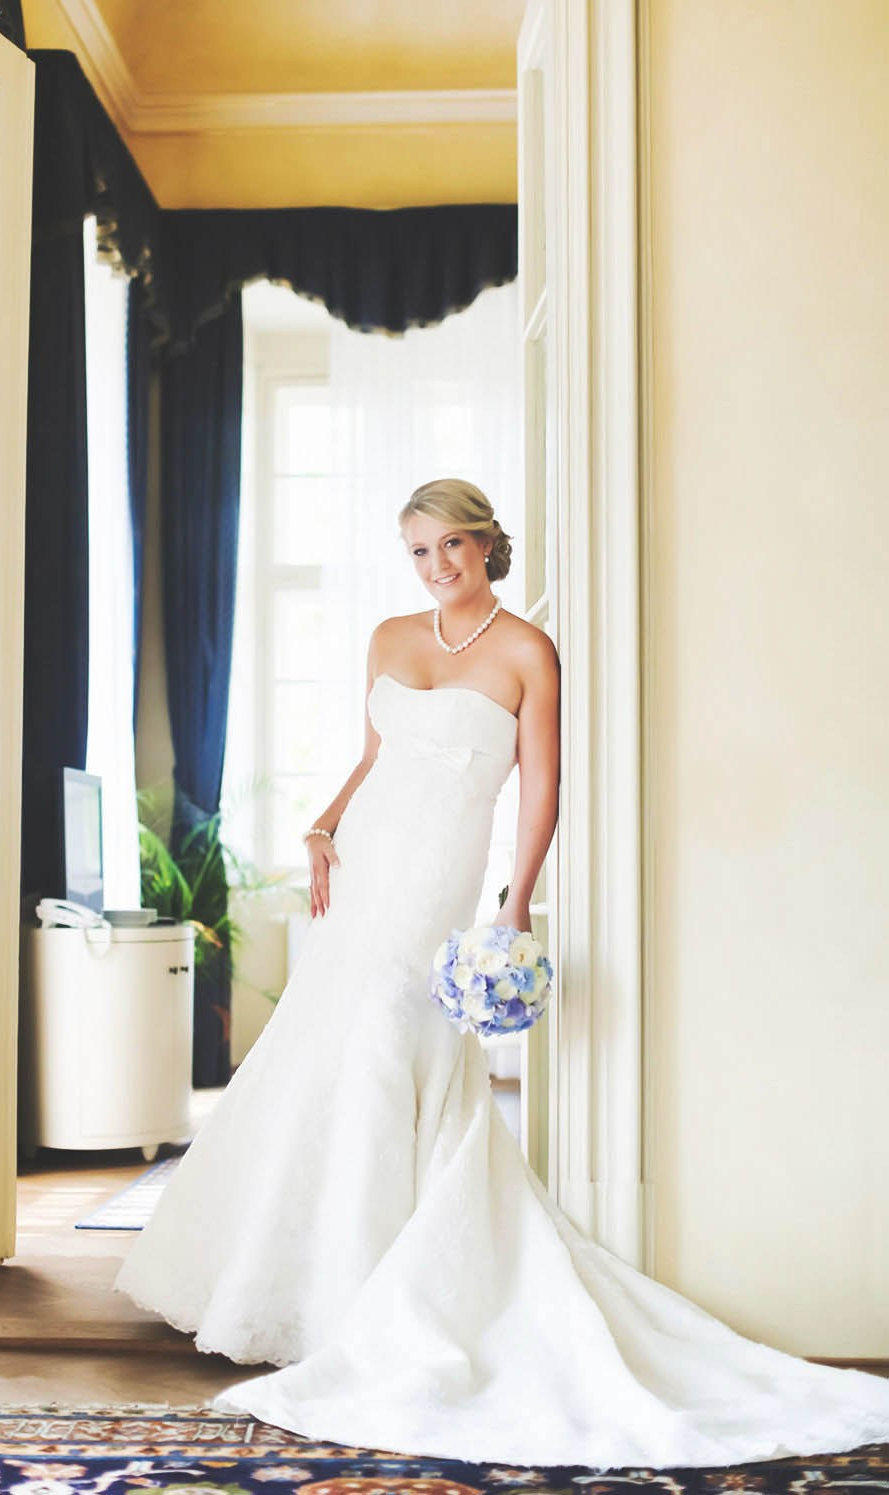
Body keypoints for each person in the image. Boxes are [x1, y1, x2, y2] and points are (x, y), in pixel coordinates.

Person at [115, 478, 889, 1471]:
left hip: (437, 871)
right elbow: (372, 756)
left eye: (450, 547)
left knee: (391, 1039)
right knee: (325, 1038)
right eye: (417, 552)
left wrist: (513, 902)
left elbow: (542, 787)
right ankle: (276, 1277)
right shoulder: (391, 636)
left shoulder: (527, 650)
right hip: (363, 862)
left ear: (486, 544)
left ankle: (366, 1288)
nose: (436, 568)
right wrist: (320, 822)